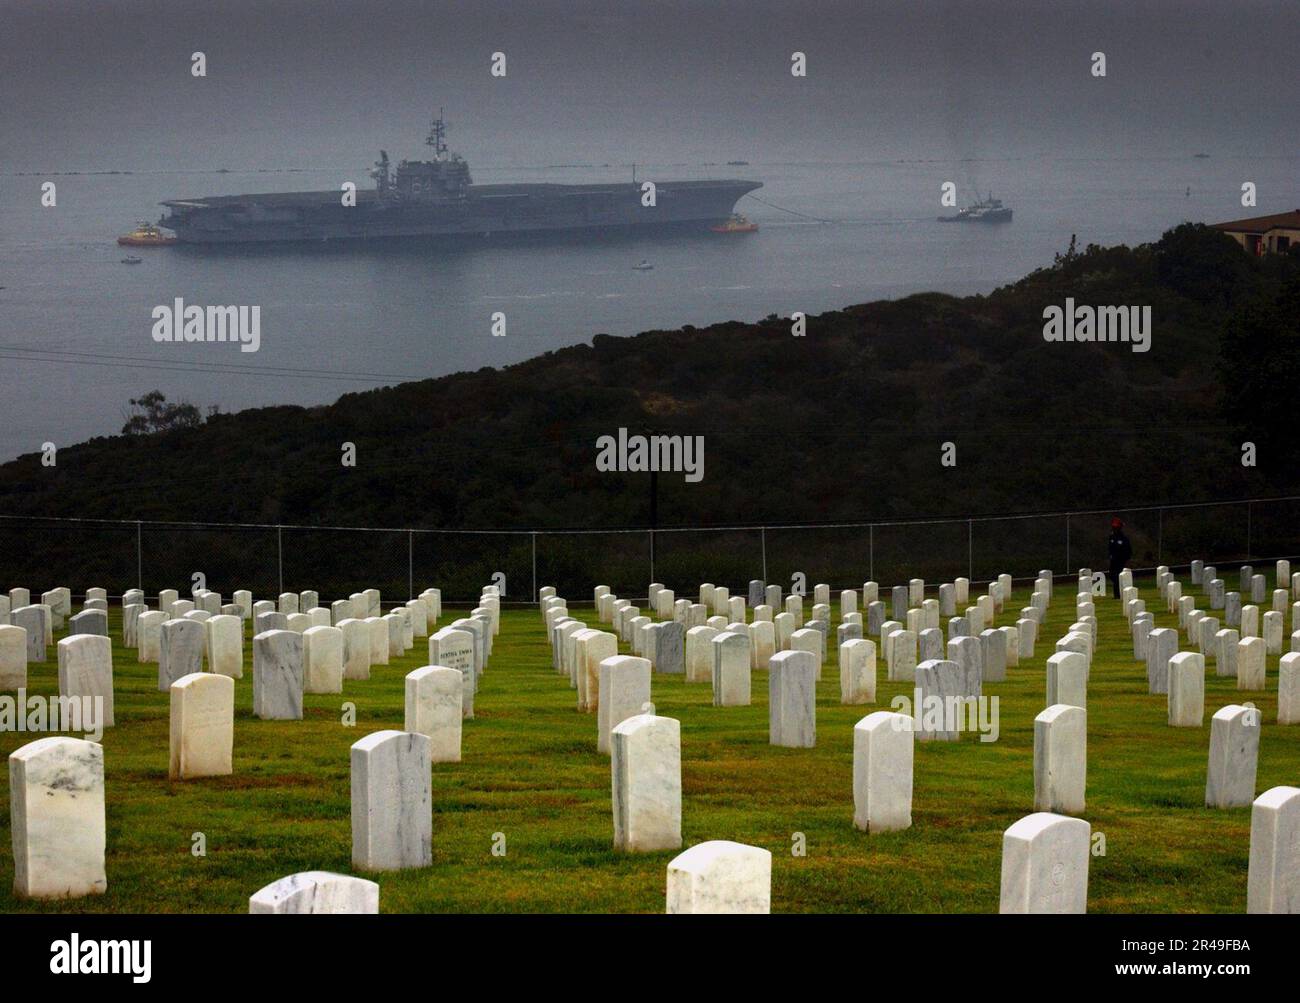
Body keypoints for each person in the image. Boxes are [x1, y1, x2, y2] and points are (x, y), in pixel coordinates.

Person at [1107, 517, 1132, 598]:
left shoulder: (1124, 538)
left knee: (1118, 577)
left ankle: (1117, 594)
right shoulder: (1111, 537)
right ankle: (1117, 593)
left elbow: (1128, 550)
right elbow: (1110, 548)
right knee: (1112, 576)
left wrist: (1126, 560)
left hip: (1121, 561)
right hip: (1113, 561)